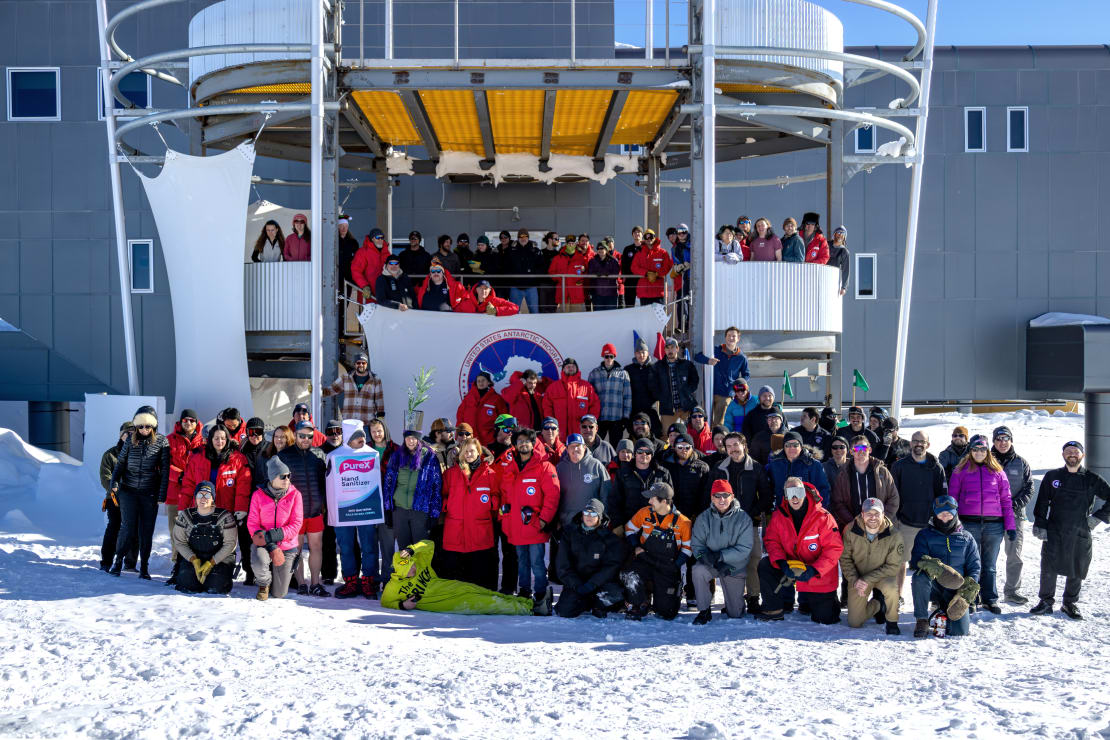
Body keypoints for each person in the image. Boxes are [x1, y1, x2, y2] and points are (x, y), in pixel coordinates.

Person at [1029, 441, 1110, 620]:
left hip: (1080, 529)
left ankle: (1069, 603)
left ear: (1082, 455)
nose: (1072, 454)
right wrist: (1040, 525)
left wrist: (1097, 518)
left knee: (1077, 565)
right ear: (1063, 454)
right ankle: (1046, 602)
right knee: (1049, 566)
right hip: (1055, 528)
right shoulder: (1052, 476)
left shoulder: (1092, 478)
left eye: (1075, 451)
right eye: (1068, 451)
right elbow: (1042, 502)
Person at [381, 540, 551, 615]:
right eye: (410, 569)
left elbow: (429, 544)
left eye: (413, 564)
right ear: (401, 572)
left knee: (486, 593)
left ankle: (531, 604)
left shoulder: (417, 561)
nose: (414, 568)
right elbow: (385, 601)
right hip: (446, 603)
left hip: (450, 586)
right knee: (487, 604)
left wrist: (412, 549)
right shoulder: (393, 588)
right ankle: (532, 610)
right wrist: (403, 605)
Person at [755, 480, 844, 623]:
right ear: (785, 496)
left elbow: (834, 548)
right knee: (766, 565)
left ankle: (826, 600)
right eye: (790, 494)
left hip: (816, 572)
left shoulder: (823, 517)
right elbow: (772, 541)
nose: (795, 498)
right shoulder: (779, 516)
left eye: (798, 492)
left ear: (805, 493)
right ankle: (773, 610)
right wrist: (782, 563)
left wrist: (814, 570)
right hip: (790, 567)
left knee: (825, 619)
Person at [948, 434, 1015, 614]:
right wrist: (953, 524)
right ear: (970, 451)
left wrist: (1010, 526)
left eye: (982, 449)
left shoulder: (998, 471)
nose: (979, 452)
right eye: (975, 449)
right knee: (971, 563)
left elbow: (1006, 500)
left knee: (989, 565)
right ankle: (969, 599)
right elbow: (952, 499)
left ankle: (989, 599)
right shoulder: (960, 470)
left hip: (994, 525)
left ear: (987, 451)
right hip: (969, 524)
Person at [179, 425, 252, 584]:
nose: (220, 441)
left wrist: (240, 508)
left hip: (224, 511)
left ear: (228, 439)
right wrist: (183, 508)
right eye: (216, 438)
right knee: (196, 541)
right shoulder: (198, 458)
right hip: (201, 510)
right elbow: (188, 485)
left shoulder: (237, 459)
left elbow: (243, 486)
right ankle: (187, 570)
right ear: (210, 440)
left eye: (223, 438)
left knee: (222, 543)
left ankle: (219, 572)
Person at [712, 432, 772, 614]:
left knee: (753, 560)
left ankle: (753, 597)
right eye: (728, 446)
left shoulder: (755, 467)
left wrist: (751, 513)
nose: (732, 449)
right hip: (725, 523)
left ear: (744, 445)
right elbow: (709, 494)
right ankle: (733, 599)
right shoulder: (719, 468)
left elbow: (766, 497)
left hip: (749, 522)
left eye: (735, 445)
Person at [107, 407, 170, 579]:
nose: (144, 430)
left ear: (154, 426)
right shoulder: (130, 441)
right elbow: (119, 465)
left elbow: (165, 471)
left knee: (146, 531)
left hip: (149, 492)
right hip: (128, 491)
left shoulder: (162, 442)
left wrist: (161, 495)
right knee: (127, 528)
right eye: (140, 426)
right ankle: (118, 561)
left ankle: (144, 567)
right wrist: (114, 484)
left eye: (148, 426)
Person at [499, 428, 560, 601]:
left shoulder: (544, 466)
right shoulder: (510, 468)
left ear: (533, 444)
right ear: (515, 445)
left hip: (534, 525)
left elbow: (553, 495)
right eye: (519, 441)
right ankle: (524, 591)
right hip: (516, 525)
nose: (523, 444)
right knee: (522, 563)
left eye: (527, 441)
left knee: (537, 563)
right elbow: (504, 496)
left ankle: (541, 592)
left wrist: (543, 520)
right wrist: (505, 518)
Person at [909, 496, 981, 637]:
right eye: (941, 514)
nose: (945, 517)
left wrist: (968, 589)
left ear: (955, 514)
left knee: (959, 632)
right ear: (935, 514)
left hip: (957, 588)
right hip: (933, 585)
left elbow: (975, 566)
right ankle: (922, 619)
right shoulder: (924, 535)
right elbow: (917, 559)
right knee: (920, 577)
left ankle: (947, 610)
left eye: (948, 514)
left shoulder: (967, 538)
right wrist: (936, 567)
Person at [622, 481, 692, 621]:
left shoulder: (683, 522)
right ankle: (640, 603)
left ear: (664, 501)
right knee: (629, 574)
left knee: (667, 613)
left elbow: (687, 549)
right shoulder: (644, 513)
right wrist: (636, 546)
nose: (649, 501)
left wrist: (675, 566)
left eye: (652, 498)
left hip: (667, 567)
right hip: (645, 559)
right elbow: (629, 529)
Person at [890, 431, 947, 597]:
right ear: (910, 444)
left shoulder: (936, 467)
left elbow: (942, 496)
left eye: (922, 441)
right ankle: (897, 595)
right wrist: (895, 518)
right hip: (905, 523)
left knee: (933, 563)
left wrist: (939, 520)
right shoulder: (899, 466)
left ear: (928, 444)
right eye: (915, 441)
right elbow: (893, 494)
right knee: (900, 562)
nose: (918, 444)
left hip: (929, 524)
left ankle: (935, 597)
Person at [327, 422, 381, 599]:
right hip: (344, 511)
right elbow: (328, 486)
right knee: (346, 547)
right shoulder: (334, 456)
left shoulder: (371, 454)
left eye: (363, 435)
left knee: (369, 547)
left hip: (366, 509)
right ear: (349, 438)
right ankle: (350, 582)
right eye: (358, 435)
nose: (363, 438)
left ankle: (368, 582)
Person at [440, 436, 500, 590]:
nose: (469, 454)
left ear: (478, 452)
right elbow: (443, 494)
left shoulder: (490, 474)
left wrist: (490, 504)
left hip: (479, 527)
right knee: (457, 572)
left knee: (478, 569)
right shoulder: (451, 474)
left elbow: (496, 495)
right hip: (456, 526)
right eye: (465, 452)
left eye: (472, 451)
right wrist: (448, 505)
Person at [690, 479, 754, 623]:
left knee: (735, 614)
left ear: (732, 497)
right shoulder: (703, 518)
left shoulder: (743, 518)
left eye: (725, 495)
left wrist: (721, 556)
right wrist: (707, 559)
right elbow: (696, 545)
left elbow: (744, 549)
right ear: (712, 498)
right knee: (698, 570)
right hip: (711, 563)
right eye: (717, 495)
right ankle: (704, 610)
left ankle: (735, 604)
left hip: (733, 567)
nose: (722, 499)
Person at [278, 421, 329, 597]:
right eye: (302, 436)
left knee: (316, 547)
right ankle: (301, 583)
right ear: (295, 435)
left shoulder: (319, 454)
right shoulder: (285, 455)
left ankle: (315, 583)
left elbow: (326, 481)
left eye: (309, 436)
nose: (305, 439)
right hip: (295, 513)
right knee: (296, 548)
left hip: (315, 510)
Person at [840, 497, 904, 634]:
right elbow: (845, 559)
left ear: (883, 514)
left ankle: (892, 621)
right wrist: (855, 580)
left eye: (877, 514)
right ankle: (878, 604)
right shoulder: (850, 530)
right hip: (859, 577)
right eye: (869, 514)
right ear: (862, 514)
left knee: (892, 588)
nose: (873, 517)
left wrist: (867, 579)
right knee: (854, 622)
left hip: (883, 576)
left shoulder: (894, 534)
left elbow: (893, 566)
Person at [554, 498, 623, 618]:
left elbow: (611, 566)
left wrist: (592, 584)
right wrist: (577, 585)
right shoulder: (569, 534)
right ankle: (586, 602)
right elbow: (563, 565)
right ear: (582, 515)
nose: (589, 516)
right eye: (586, 513)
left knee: (616, 594)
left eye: (593, 514)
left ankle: (597, 603)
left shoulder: (609, 538)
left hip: (599, 583)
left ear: (600, 517)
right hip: (577, 583)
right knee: (565, 611)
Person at [248, 456, 304, 601]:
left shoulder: (295, 495)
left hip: (286, 546)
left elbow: (296, 524)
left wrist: (273, 535)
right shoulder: (258, 495)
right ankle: (263, 583)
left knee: (279, 594)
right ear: (272, 478)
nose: (287, 479)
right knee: (259, 559)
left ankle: (278, 575)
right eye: (282, 476)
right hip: (264, 543)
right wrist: (270, 544)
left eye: (288, 476)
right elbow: (252, 524)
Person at [990, 425, 1034, 605]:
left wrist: (1014, 505)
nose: (1002, 443)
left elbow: (1029, 488)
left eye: (1006, 439)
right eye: (999, 439)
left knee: (1014, 554)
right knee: (986, 555)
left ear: (1011, 440)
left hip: (1014, 515)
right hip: (991, 515)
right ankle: (983, 592)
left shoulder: (1021, 462)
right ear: (993, 441)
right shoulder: (984, 460)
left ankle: (1012, 591)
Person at [383, 429, 443, 553]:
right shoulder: (396, 456)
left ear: (419, 439)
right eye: (408, 437)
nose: (411, 440)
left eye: (414, 438)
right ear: (404, 439)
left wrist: (434, 514)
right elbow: (388, 483)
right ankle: (406, 573)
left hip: (420, 511)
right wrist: (388, 509)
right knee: (403, 549)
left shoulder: (429, 457)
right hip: (399, 510)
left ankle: (419, 572)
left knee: (420, 549)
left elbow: (436, 486)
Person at [172, 481, 238, 595]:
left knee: (216, 586)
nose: (203, 498)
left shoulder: (225, 516)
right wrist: (193, 560)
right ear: (195, 497)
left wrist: (212, 562)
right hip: (195, 556)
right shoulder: (186, 515)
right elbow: (180, 542)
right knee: (187, 583)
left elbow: (230, 544)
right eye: (200, 495)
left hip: (220, 559)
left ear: (213, 498)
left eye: (207, 495)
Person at [165, 408, 204, 583]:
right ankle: (176, 562)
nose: (188, 423)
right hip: (175, 493)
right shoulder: (170, 440)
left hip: (195, 494)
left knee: (193, 530)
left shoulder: (203, 441)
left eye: (191, 420)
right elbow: (164, 465)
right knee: (176, 530)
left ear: (196, 423)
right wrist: (179, 475)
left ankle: (191, 563)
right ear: (180, 422)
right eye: (185, 420)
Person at [829, 435, 900, 530]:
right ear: (851, 451)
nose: (861, 451)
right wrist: (853, 523)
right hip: (854, 529)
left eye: (864, 448)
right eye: (857, 448)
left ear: (870, 450)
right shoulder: (843, 474)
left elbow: (893, 498)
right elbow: (838, 502)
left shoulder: (882, 471)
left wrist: (881, 520)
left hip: (880, 527)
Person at [98, 422, 138, 573]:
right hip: (115, 499)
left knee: (133, 529)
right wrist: (115, 488)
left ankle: (130, 563)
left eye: (133, 433)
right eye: (126, 433)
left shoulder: (140, 454)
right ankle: (106, 561)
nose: (129, 436)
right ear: (121, 435)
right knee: (114, 527)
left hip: (134, 499)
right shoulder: (110, 454)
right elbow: (105, 477)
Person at [610, 439, 673, 530]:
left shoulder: (663, 473)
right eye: (640, 451)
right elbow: (615, 500)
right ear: (635, 454)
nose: (644, 454)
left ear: (652, 454)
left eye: (647, 452)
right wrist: (618, 524)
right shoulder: (623, 473)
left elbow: (669, 500)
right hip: (630, 524)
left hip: (656, 525)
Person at [694, 327, 751, 426]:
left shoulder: (741, 357)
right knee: (704, 421)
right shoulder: (716, 350)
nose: (731, 338)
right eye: (729, 335)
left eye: (734, 336)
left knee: (718, 424)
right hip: (709, 391)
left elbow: (746, 375)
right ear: (725, 337)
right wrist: (708, 360)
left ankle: (716, 439)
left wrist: (737, 385)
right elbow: (697, 356)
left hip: (725, 394)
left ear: (738, 339)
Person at [761, 430, 831, 508]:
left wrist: (818, 511)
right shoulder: (774, 465)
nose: (791, 448)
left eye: (795, 445)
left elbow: (823, 490)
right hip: (782, 511)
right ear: (784, 447)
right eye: (788, 445)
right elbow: (767, 489)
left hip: (807, 512)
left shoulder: (813, 464)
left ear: (801, 446)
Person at [368, 417, 400, 582]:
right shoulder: (365, 449)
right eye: (373, 431)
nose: (376, 434)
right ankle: (371, 579)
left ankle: (387, 579)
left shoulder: (396, 450)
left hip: (389, 503)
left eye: (379, 430)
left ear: (385, 430)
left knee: (387, 544)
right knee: (370, 543)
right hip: (369, 502)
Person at [321, 352, 385, 426]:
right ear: (355, 364)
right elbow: (332, 390)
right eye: (358, 363)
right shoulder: (345, 378)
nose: (361, 365)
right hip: (349, 423)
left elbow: (379, 401)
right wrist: (316, 391)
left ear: (366, 364)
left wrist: (381, 419)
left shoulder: (375, 380)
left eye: (363, 363)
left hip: (367, 423)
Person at [542, 358, 600, 438]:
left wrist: (589, 424)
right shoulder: (553, 388)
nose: (571, 368)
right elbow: (547, 407)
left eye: (573, 366)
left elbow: (595, 406)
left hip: (581, 433)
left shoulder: (586, 387)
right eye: (568, 366)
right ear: (563, 369)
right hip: (559, 433)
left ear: (577, 369)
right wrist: (552, 424)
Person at [587, 344, 631, 446]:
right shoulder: (594, 373)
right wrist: (591, 416)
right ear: (603, 357)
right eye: (606, 356)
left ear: (614, 357)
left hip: (617, 417)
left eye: (611, 356)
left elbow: (627, 397)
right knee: (596, 445)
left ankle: (614, 462)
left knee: (615, 446)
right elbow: (590, 397)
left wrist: (626, 416)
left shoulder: (623, 374)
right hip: (600, 418)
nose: (609, 359)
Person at [653, 337, 699, 433]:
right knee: (666, 435)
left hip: (686, 407)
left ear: (677, 349)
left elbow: (695, 380)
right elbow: (652, 385)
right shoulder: (658, 366)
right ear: (664, 350)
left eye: (672, 347)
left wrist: (687, 392)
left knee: (693, 432)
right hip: (667, 409)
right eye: (667, 348)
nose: (670, 350)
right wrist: (662, 397)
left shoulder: (687, 364)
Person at [456, 371, 510, 446]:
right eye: (478, 381)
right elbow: (460, 416)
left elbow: (504, 417)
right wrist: (459, 434)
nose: (481, 383)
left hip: (489, 440)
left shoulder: (496, 398)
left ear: (489, 382)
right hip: (470, 439)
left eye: (483, 380)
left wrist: (500, 435)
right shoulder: (468, 398)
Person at [500, 229, 542, 313]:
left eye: (525, 236)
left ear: (528, 237)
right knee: (513, 312)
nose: (523, 238)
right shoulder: (511, 250)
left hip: (531, 287)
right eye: (521, 236)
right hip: (516, 287)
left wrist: (534, 277)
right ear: (518, 238)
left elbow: (541, 266)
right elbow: (506, 266)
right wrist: (512, 278)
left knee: (534, 312)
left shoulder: (535, 250)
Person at [627, 338, 662, 437]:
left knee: (656, 433)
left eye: (643, 352)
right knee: (634, 434)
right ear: (635, 354)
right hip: (634, 409)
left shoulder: (655, 368)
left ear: (647, 353)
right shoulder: (628, 369)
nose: (641, 355)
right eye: (638, 352)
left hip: (650, 408)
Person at [547, 236, 591, 312]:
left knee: (577, 318)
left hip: (576, 293)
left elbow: (586, 271)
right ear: (566, 244)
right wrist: (561, 279)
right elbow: (551, 272)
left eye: (572, 243)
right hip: (563, 292)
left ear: (575, 244)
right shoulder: (558, 258)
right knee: (562, 319)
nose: (571, 245)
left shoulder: (580, 257)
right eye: (569, 243)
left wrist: (583, 272)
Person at [630, 232, 672, 306]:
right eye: (646, 237)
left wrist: (656, 274)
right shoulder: (639, 254)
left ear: (655, 237)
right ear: (644, 239)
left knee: (658, 317)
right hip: (644, 292)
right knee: (645, 317)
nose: (649, 239)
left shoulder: (663, 253)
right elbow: (634, 267)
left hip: (658, 292)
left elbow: (667, 266)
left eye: (651, 237)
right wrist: (646, 273)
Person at [353, 227, 391, 300]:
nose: (380, 240)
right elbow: (356, 271)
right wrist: (364, 286)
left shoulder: (386, 253)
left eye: (382, 237)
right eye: (377, 237)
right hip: (369, 295)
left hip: (385, 295)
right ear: (372, 239)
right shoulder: (362, 252)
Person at [586, 239, 621, 311]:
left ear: (606, 249)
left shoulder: (613, 261)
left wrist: (604, 273)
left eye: (602, 248)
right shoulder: (592, 261)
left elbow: (616, 273)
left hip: (611, 294)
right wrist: (598, 273)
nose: (600, 250)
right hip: (597, 294)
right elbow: (590, 273)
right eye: (598, 248)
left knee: (611, 316)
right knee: (598, 317)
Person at [620, 226, 645, 307]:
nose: (637, 234)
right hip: (630, 280)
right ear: (632, 235)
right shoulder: (627, 249)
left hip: (643, 280)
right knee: (629, 304)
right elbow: (623, 264)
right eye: (634, 232)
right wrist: (624, 276)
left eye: (639, 232)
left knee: (642, 304)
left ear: (642, 234)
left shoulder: (646, 248)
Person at [827, 225, 850, 296]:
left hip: (833, 280)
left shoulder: (844, 251)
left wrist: (844, 287)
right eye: (838, 232)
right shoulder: (826, 245)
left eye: (842, 233)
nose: (840, 235)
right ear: (834, 234)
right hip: (822, 275)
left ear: (844, 237)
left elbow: (846, 270)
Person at [337, 217, 359, 287]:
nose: (344, 228)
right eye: (341, 226)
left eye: (346, 226)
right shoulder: (334, 242)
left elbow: (357, 259)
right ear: (337, 227)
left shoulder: (353, 242)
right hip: (337, 275)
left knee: (347, 296)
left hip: (349, 275)